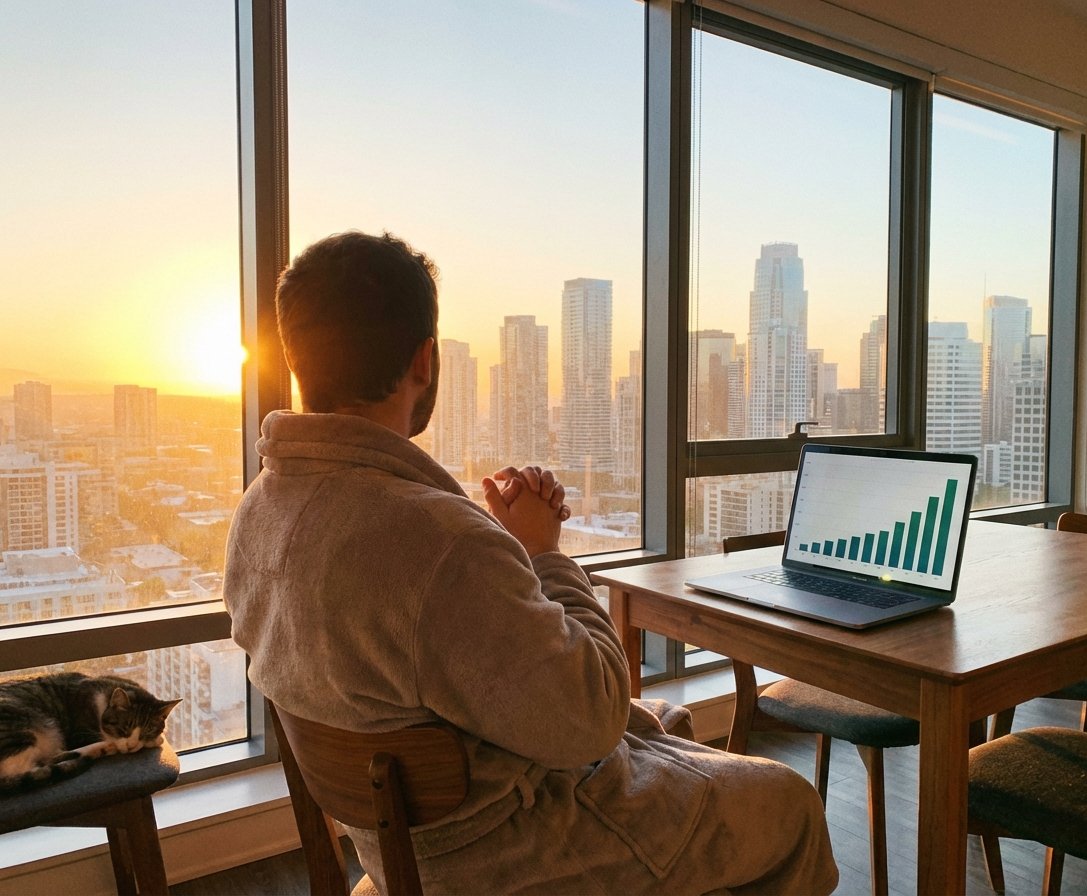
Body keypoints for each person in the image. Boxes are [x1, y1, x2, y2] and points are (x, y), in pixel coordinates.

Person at [223, 230, 838, 895]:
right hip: (509, 854)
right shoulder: (440, 540)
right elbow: (595, 717)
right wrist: (542, 553)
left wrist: (499, 558)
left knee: (668, 721)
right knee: (790, 804)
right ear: (425, 360)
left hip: (397, 851)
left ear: (297, 358)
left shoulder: (258, 514)